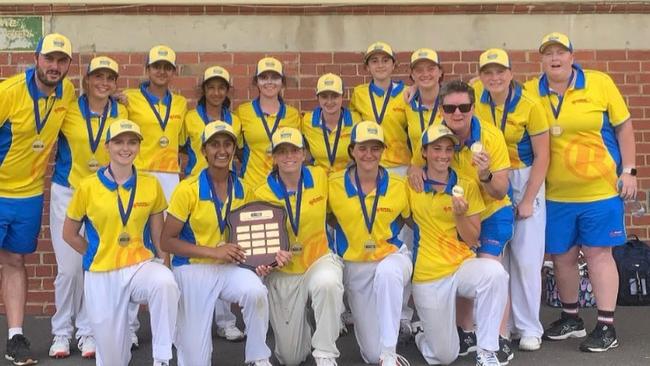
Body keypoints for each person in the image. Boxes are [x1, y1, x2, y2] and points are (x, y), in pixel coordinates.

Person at [525, 32, 636, 352]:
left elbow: (624, 127)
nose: (554, 58)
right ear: (541, 60)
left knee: (599, 255)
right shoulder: (532, 91)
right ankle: (571, 317)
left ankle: (606, 325)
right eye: (548, 53)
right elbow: (488, 90)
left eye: (561, 52)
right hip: (556, 194)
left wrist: (629, 170)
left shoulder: (599, 83)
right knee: (562, 258)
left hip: (599, 192)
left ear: (572, 56)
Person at [62, 119, 179, 366]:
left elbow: (159, 235)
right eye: (119, 142)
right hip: (102, 274)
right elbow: (69, 233)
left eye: (132, 142)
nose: (125, 148)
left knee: (165, 283)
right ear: (107, 147)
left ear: (139, 147)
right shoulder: (87, 186)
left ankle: (162, 358)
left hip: (139, 266)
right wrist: (94, 252)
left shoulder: (150, 184)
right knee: (113, 358)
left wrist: (165, 266)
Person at [161, 121, 275, 366]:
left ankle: (258, 357)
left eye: (227, 144)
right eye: (214, 144)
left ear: (234, 149)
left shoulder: (245, 189)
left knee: (256, 291)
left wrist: (259, 263)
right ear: (204, 150)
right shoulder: (187, 189)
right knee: (194, 360)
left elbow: (250, 237)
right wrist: (213, 252)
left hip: (230, 268)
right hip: (192, 268)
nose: (221, 150)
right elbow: (167, 241)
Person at [0, 33, 75, 366]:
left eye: (61, 60)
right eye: (49, 59)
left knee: (15, 262)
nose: (55, 66)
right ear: (36, 58)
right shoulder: (8, 93)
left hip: (29, 195)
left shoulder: (68, 93)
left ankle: (15, 336)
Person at [408, 124, 508, 366]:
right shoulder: (411, 184)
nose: (443, 155)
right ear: (424, 152)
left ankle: (487, 350)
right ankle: (422, 333)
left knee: (495, 273)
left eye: (448, 149)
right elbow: (403, 219)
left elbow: (473, 239)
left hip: (461, 267)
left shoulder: (467, 184)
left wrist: (460, 215)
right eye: (436, 149)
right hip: (429, 275)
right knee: (445, 356)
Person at [48, 56, 128, 359]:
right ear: (87, 80)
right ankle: (60, 332)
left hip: (102, 195)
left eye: (110, 78)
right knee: (69, 269)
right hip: (68, 192)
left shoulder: (121, 110)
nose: (103, 83)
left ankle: (86, 332)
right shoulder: (67, 109)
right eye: (98, 76)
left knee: (92, 264)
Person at [474, 48, 550, 353]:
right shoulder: (475, 98)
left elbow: (544, 155)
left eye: (500, 72)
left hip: (523, 176)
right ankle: (500, 327)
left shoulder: (530, 105)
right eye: (487, 72)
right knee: (496, 256)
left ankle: (529, 327)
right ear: (480, 76)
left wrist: (529, 198)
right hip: (491, 177)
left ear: (510, 73)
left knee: (527, 258)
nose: (495, 78)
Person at [254, 127, 344, 366]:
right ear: (273, 157)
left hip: (318, 260)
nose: (288, 156)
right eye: (281, 152)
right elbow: (260, 242)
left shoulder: (321, 177)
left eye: (294, 150)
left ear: (304, 153)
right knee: (290, 359)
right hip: (284, 271)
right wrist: (267, 259)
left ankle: (325, 353)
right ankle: (303, 323)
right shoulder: (261, 193)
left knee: (328, 283)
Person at [438, 80, 514, 362]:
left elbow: (501, 190)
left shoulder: (491, 136)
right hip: (459, 213)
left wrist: (485, 175)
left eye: (464, 107)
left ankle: (499, 338)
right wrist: (412, 169)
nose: (457, 113)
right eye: (450, 107)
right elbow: (419, 162)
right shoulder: (435, 135)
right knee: (461, 266)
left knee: (489, 269)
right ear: (442, 110)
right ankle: (466, 331)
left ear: (472, 107)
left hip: (493, 211)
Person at [328, 121, 412, 366]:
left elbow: (412, 221)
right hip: (355, 265)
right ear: (352, 150)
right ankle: (381, 354)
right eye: (363, 148)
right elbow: (326, 218)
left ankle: (390, 354)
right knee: (371, 356)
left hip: (391, 256)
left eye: (375, 148)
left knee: (388, 273)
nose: (369, 154)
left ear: (383, 150)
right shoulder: (333, 184)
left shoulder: (398, 185)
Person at [349, 41, 414, 340]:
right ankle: (370, 307)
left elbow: (415, 129)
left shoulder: (407, 92)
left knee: (404, 239)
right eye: (373, 61)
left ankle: (403, 314)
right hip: (369, 168)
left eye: (385, 60)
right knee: (372, 236)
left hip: (400, 169)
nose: (380, 65)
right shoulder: (359, 95)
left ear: (393, 64)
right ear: (367, 67)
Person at [181, 65, 245, 342]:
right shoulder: (189, 118)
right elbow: (180, 150)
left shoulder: (237, 120)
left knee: (226, 247)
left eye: (221, 87)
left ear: (227, 91)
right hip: (197, 190)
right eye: (211, 87)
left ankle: (226, 320)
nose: (216, 92)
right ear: (203, 90)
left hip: (226, 188)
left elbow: (239, 153)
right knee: (203, 251)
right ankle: (198, 316)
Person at [123, 44, 188, 201]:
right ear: (147, 69)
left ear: (174, 72)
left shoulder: (181, 103)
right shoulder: (129, 98)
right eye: (156, 66)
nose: (162, 71)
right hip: (139, 170)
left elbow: (181, 141)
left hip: (170, 173)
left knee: (166, 224)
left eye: (167, 67)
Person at [235, 56, 301, 189]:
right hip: (252, 187)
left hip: (284, 187)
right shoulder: (243, 112)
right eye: (264, 77)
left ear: (282, 82)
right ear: (256, 82)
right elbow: (238, 148)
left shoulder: (293, 115)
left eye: (275, 77)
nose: (269, 82)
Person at [301, 73, 358, 175]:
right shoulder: (307, 121)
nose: (329, 101)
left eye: (335, 96)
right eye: (324, 96)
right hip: (319, 180)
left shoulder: (356, 120)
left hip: (347, 179)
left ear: (342, 96)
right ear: (317, 97)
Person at [405, 48, 445, 192]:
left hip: (448, 176)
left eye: (431, 69)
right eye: (419, 70)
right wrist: (415, 165)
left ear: (440, 72)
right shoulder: (406, 102)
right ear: (412, 74)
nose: (425, 74)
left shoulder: (452, 102)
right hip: (418, 177)